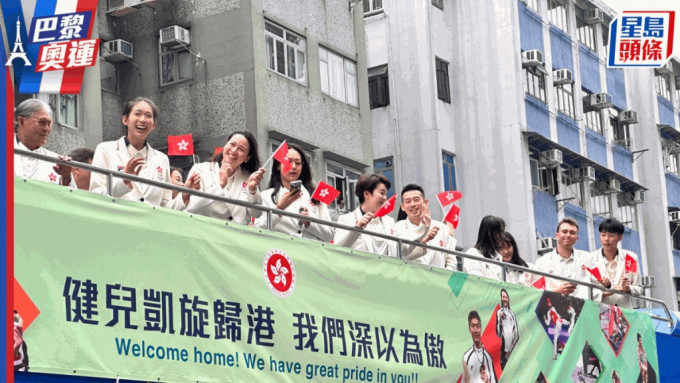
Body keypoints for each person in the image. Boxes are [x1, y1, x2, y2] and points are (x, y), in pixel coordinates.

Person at [90, 97, 198, 208]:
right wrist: (125, 180)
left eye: (148, 116)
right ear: (125, 120)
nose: (142, 119)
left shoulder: (161, 159)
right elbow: (96, 195)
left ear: (153, 125)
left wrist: (185, 195)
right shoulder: (105, 150)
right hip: (118, 221)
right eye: (137, 114)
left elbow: (165, 206)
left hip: (149, 224)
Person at [255, 143, 333, 242]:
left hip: (311, 253)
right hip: (281, 253)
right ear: (278, 165)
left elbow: (330, 235)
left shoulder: (315, 197)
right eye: (288, 161)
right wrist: (279, 208)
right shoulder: (266, 196)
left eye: (298, 163)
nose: (293, 166)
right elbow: (258, 229)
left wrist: (309, 222)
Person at [185, 131, 266, 224]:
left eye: (241, 149)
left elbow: (256, 213)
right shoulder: (201, 169)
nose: (234, 150)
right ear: (225, 145)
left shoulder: (248, 177)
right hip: (206, 231)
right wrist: (219, 186)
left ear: (247, 158)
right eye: (232, 144)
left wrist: (252, 191)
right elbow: (192, 206)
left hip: (236, 234)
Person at [394, 184, 457, 270]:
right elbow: (399, 255)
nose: (412, 204)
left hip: (438, 279)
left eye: (416, 200)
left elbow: (451, 261)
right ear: (403, 207)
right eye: (408, 201)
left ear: (425, 203)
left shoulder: (442, 228)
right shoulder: (397, 228)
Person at [333, 174, 397, 256]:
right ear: (367, 194)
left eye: (386, 194)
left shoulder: (389, 222)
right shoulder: (346, 219)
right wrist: (357, 228)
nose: (385, 198)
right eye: (382, 193)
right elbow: (337, 248)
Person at [534, 218, 596, 300]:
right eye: (564, 231)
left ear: (577, 238)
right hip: (553, 308)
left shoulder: (587, 258)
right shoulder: (542, 263)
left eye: (572, 232)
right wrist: (557, 291)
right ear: (557, 235)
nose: (568, 235)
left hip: (583, 309)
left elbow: (598, 285)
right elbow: (536, 292)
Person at [13, 99, 71, 186]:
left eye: (49, 124)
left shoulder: (55, 161)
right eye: (42, 122)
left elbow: (67, 197)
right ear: (21, 121)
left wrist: (66, 177)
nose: (47, 129)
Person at [590, 218, 642, 308]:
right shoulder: (590, 259)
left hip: (624, 312)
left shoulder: (630, 258)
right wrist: (605, 293)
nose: (606, 239)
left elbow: (639, 288)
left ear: (620, 237)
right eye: (603, 235)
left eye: (611, 235)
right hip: (599, 311)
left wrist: (628, 289)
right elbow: (585, 290)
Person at [462, 310, 497, 383]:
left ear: (480, 328)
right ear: (469, 329)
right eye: (472, 326)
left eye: (477, 326)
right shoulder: (466, 357)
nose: (475, 330)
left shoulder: (488, 358)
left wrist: (488, 382)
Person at [495, 289, 518, 369]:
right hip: (503, 351)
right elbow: (498, 333)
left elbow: (516, 334)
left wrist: (510, 350)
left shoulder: (512, 314)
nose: (504, 299)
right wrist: (499, 320)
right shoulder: (499, 312)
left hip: (511, 351)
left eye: (505, 297)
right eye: (502, 297)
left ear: (508, 298)